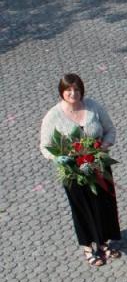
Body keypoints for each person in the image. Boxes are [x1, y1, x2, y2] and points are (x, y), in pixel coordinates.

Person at [39, 73, 121, 267]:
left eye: (76, 89)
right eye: (68, 90)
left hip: (98, 165)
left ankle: (103, 242)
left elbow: (110, 130)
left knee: (103, 204)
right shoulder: (53, 116)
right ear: (62, 92)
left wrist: (104, 146)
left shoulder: (93, 106)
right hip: (73, 171)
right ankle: (88, 247)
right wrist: (57, 158)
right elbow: (45, 146)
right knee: (82, 208)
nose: (73, 93)